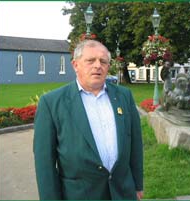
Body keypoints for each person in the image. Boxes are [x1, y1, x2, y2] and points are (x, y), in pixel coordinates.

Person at [33, 40, 143, 200]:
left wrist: (138, 185)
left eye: (103, 61)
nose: (98, 65)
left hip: (123, 193)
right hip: (80, 195)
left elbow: (135, 144)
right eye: (90, 60)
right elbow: (45, 164)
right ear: (75, 65)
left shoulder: (124, 96)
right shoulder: (51, 103)